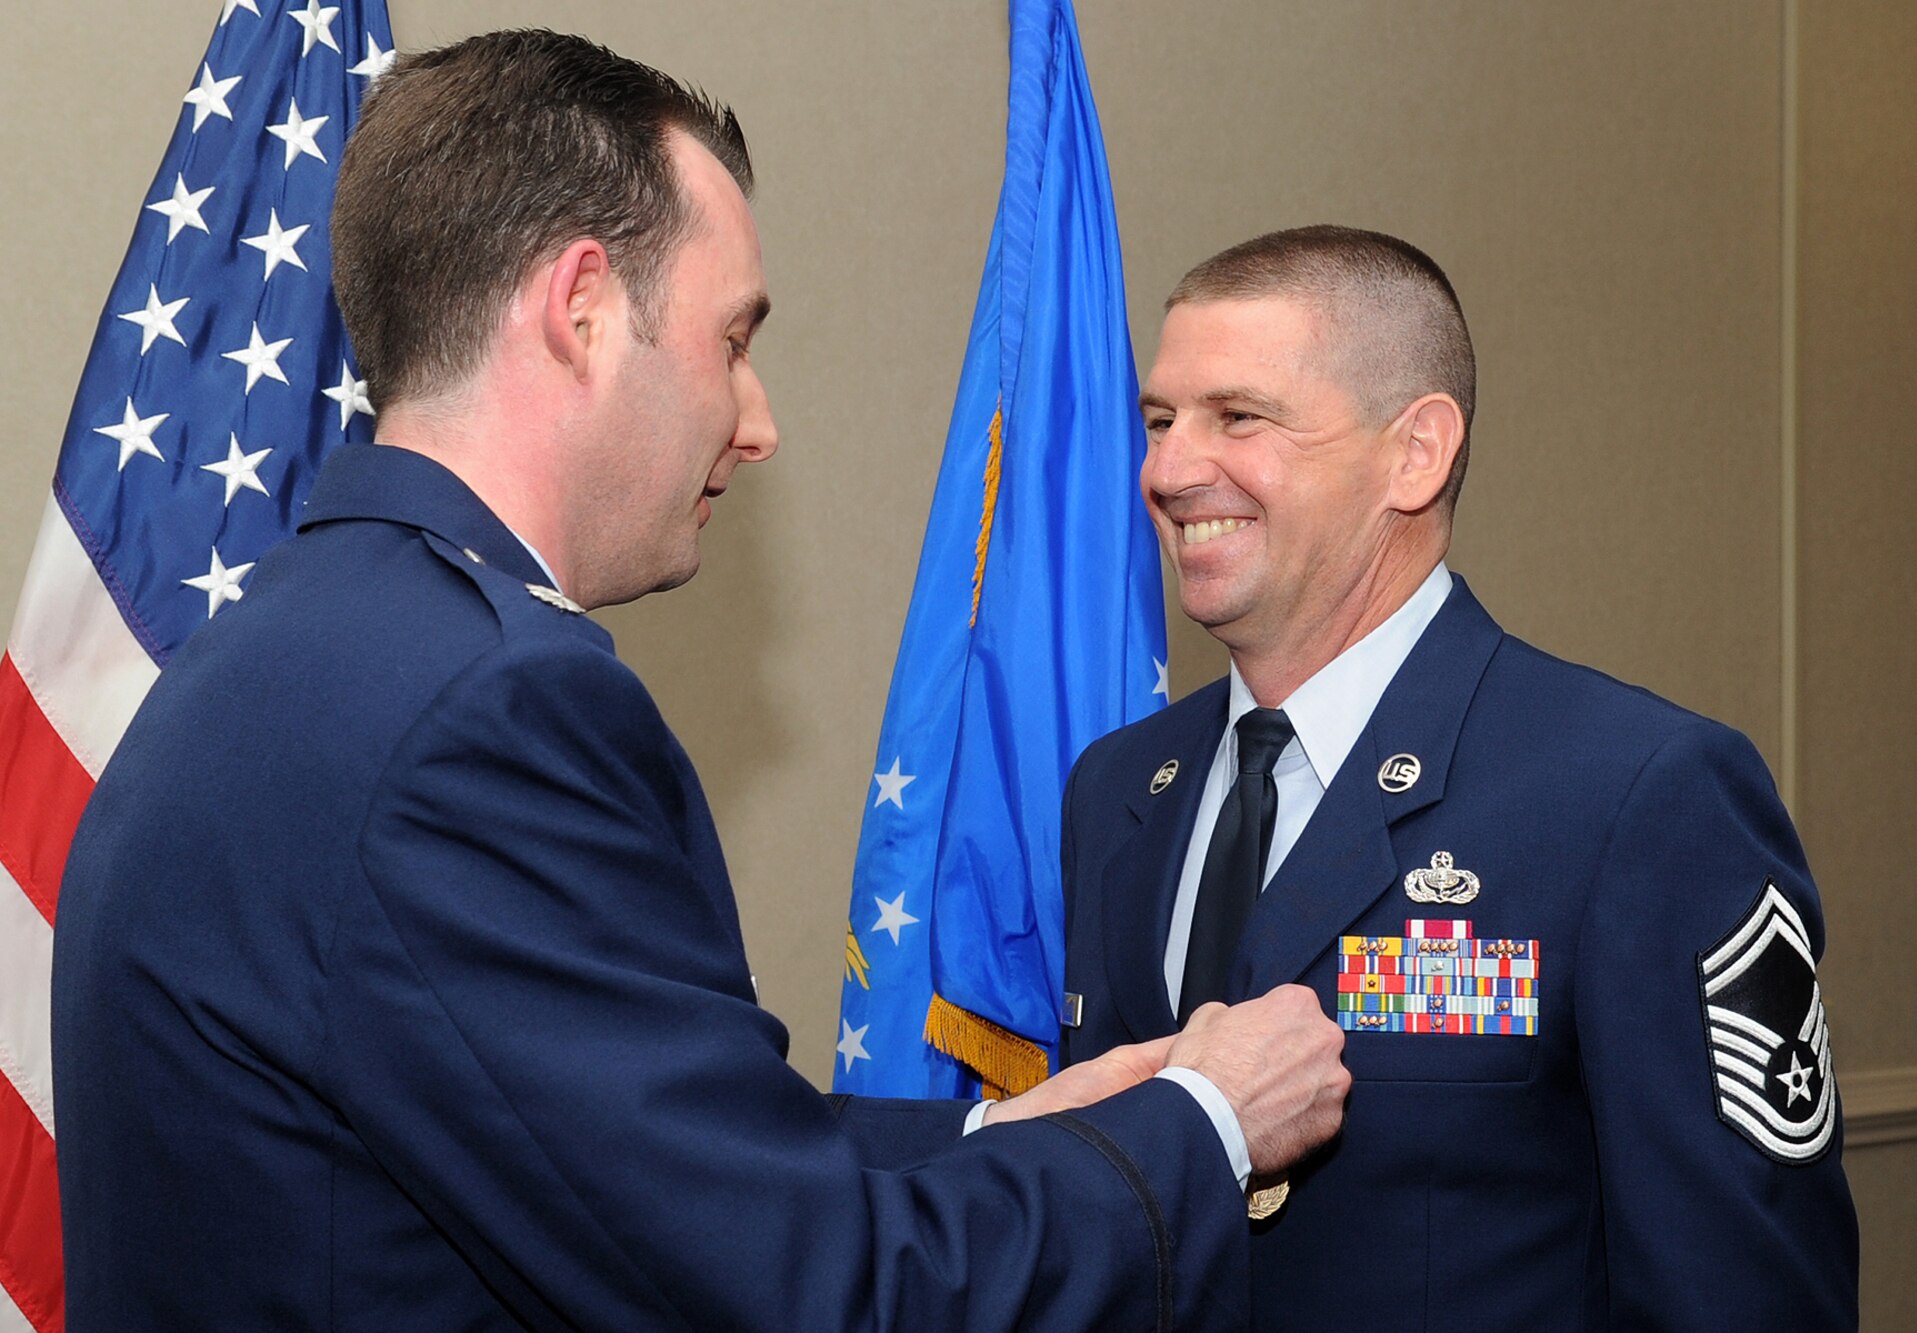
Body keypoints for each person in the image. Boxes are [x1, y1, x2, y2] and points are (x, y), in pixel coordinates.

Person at [51, 32, 1352, 1331]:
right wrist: (1204, 1120)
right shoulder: (485, 713)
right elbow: (815, 1294)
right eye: (731, 340)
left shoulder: (274, 648)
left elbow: (621, 1154)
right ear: (581, 310)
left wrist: (1000, 1125)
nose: (758, 420)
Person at [1058, 225, 1860, 1329]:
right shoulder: (1117, 789)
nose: (1168, 470)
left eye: (1237, 417)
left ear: (1416, 452)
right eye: (1159, 422)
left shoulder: (1637, 794)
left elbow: (1744, 1293)